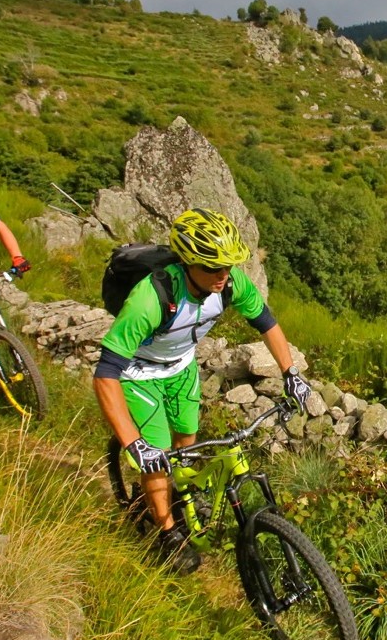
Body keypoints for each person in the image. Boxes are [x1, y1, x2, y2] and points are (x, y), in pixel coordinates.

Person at [94, 208, 312, 573]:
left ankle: (184, 497)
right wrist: (134, 443)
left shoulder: (230, 285)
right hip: (139, 374)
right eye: (213, 267)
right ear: (189, 262)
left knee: (187, 441)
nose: (223, 275)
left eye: (227, 266)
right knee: (158, 457)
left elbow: (267, 324)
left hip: (182, 367)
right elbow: (105, 373)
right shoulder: (151, 298)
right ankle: (167, 532)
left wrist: (291, 372)